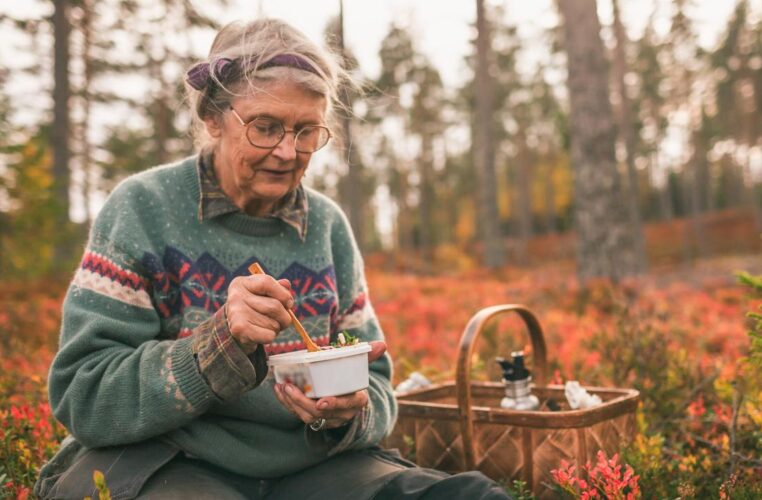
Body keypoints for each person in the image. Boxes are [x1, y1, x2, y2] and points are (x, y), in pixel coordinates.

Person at [34, 18, 511, 500]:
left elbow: (379, 384)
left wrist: (346, 410)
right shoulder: (142, 208)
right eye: (266, 127)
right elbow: (85, 392)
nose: (288, 152)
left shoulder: (326, 226)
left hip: (310, 468)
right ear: (213, 119)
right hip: (168, 461)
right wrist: (217, 345)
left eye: (307, 131)